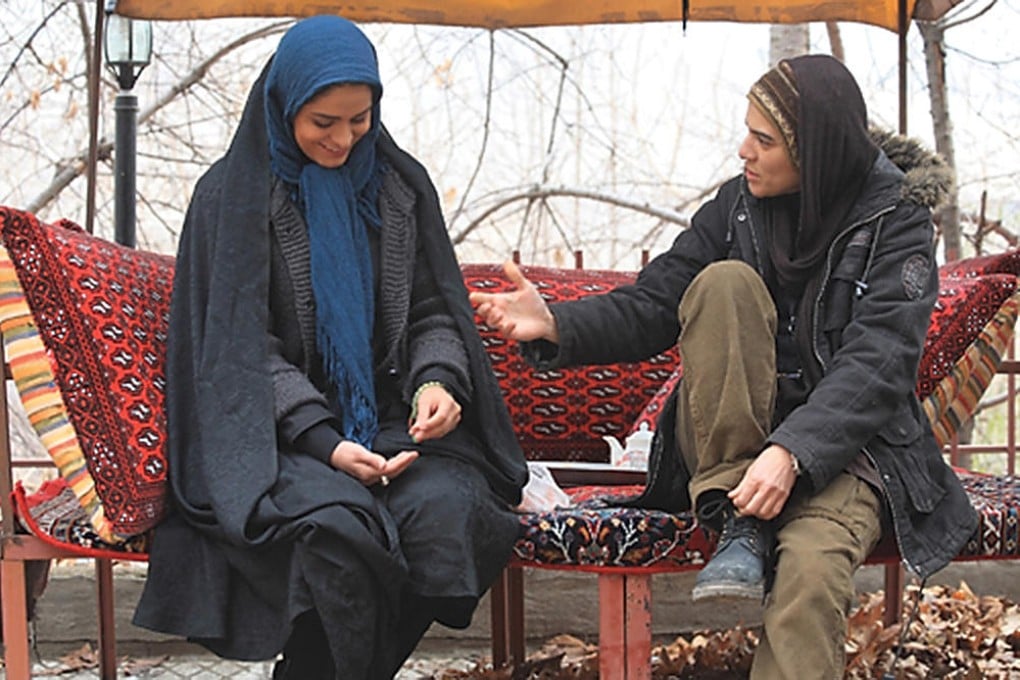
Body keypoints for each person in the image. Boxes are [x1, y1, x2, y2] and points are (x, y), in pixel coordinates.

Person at [470, 54, 978, 679]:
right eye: (746, 132)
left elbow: (880, 362)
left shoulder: (897, 221)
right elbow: (658, 300)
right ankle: (738, 518)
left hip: (850, 450)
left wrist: (792, 452)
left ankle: (760, 524)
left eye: (763, 140)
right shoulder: (737, 207)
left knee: (813, 570)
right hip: (727, 453)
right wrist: (557, 323)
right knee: (723, 284)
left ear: (811, 150)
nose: (744, 151)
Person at [132, 15, 527, 680]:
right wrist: (324, 441)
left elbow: (433, 309)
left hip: (396, 426)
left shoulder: (399, 187)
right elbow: (238, 348)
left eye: (360, 119)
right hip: (274, 437)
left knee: (445, 513)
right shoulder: (228, 198)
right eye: (323, 122)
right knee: (337, 530)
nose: (344, 139)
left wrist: (437, 381)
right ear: (284, 105)